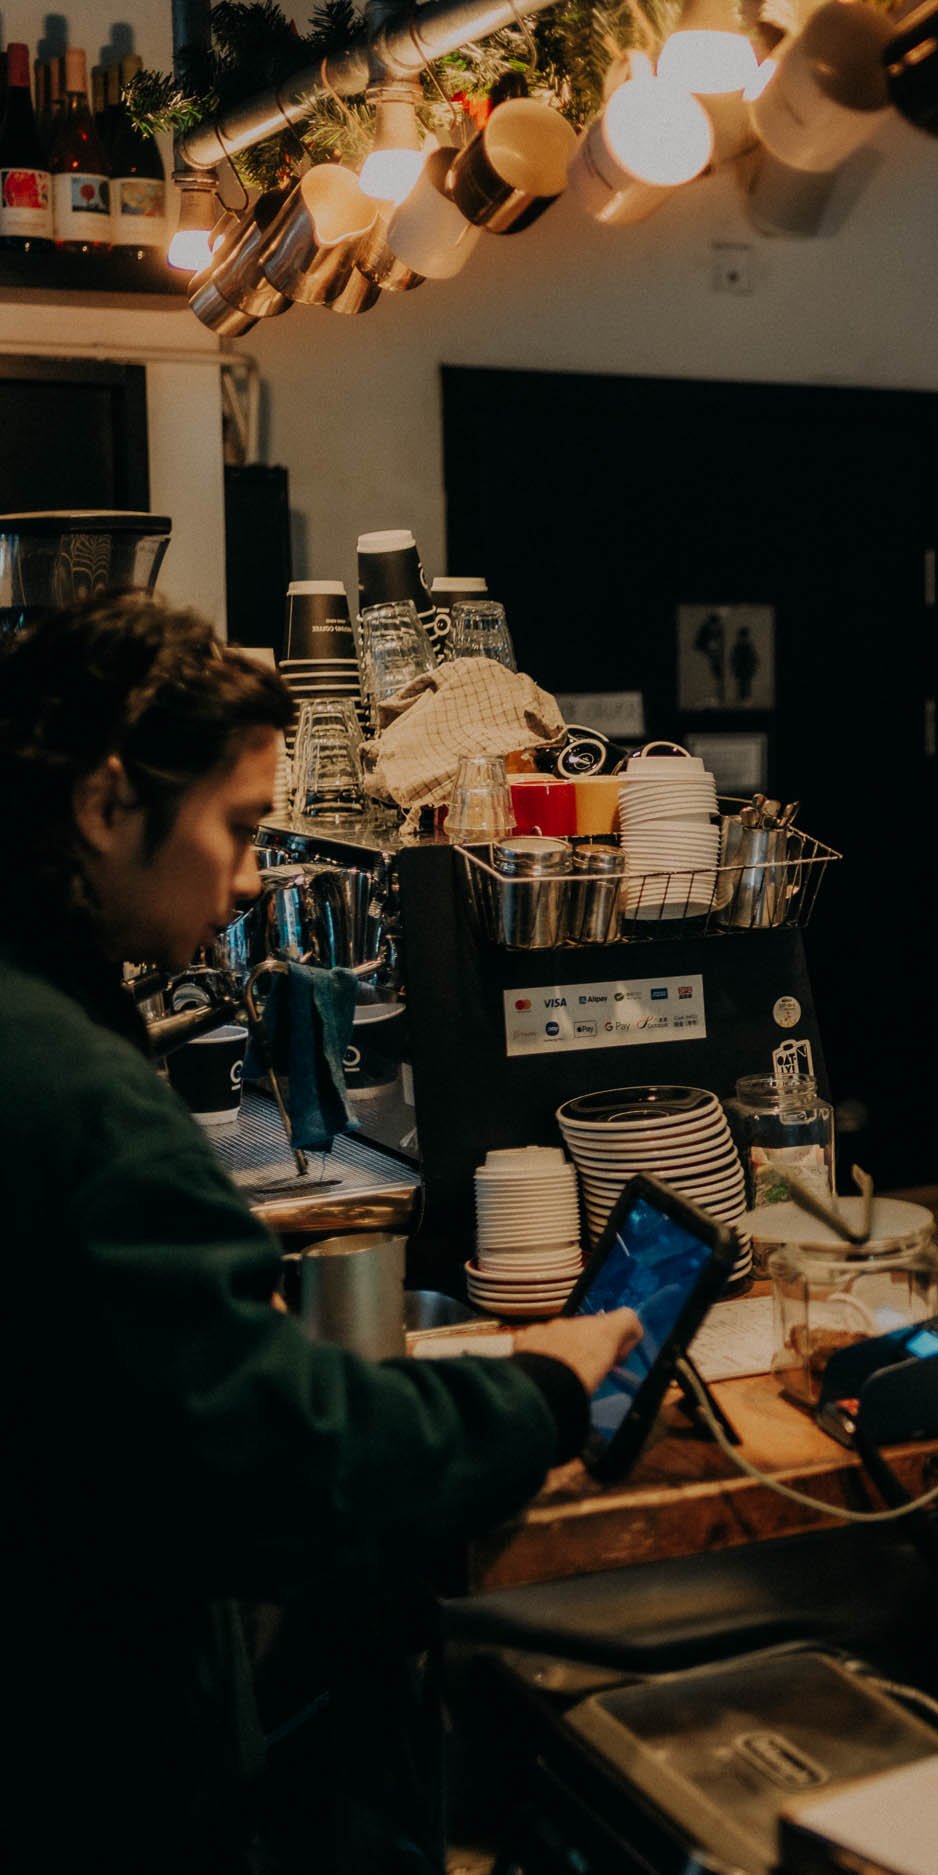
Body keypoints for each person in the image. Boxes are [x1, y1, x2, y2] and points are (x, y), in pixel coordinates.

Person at [3, 593, 641, 1865]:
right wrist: (542, 1396)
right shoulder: (67, 1084)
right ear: (106, 803)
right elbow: (290, 1464)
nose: (248, 878)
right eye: (237, 830)